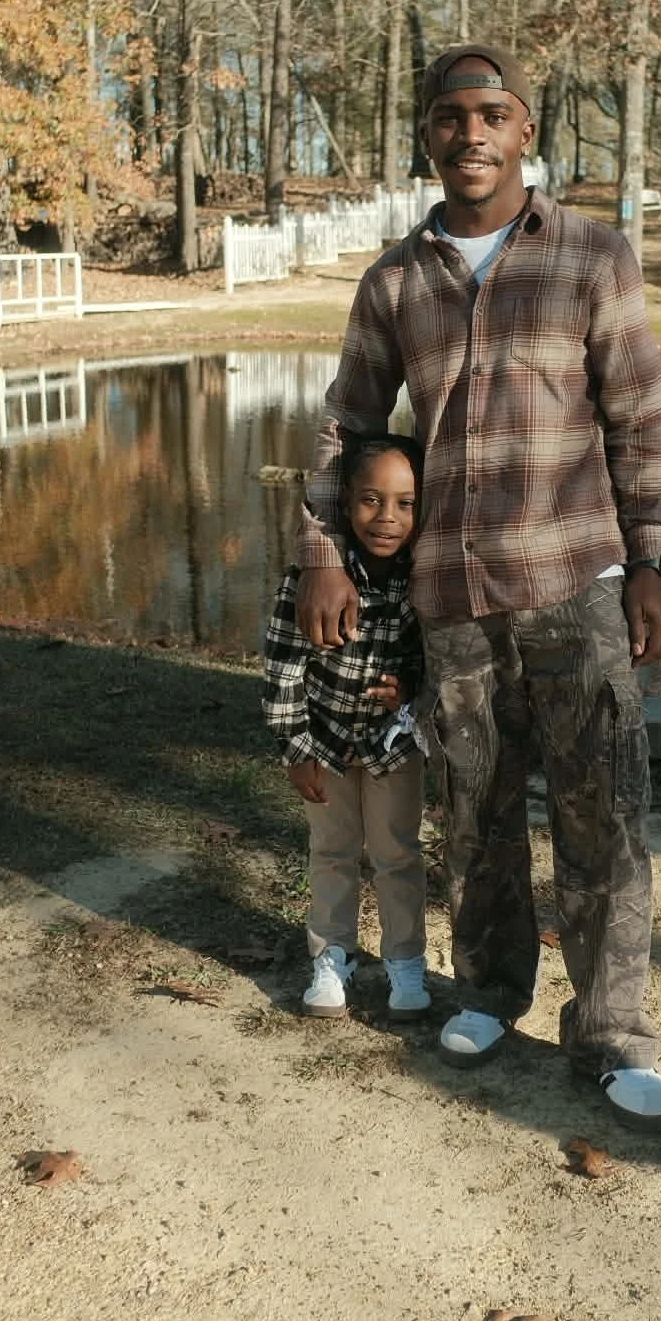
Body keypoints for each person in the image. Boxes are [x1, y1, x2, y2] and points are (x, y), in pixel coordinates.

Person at [296, 42, 661, 1127]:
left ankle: (613, 1036)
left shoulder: (593, 257)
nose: (471, 132)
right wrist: (322, 547)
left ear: (524, 129)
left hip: (574, 580)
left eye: (492, 114)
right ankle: (493, 990)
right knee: (477, 809)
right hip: (452, 591)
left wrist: (648, 559)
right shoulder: (396, 280)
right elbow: (347, 425)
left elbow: (639, 417)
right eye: (450, 116)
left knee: (605, 815)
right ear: (429, 135)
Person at [263, 432, 431, 1021]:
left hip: (396, 748)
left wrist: (411, 692)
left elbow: (440, 663)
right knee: (332, 851)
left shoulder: (425, 582)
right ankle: (333, 955)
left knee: (397, 856)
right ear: (345, 504)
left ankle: (406, 962)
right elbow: (284, 665)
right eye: (370, 499)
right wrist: (295, 748)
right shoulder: (310, 581)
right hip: (326, 743)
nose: (386, 518)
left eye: (405, 503)